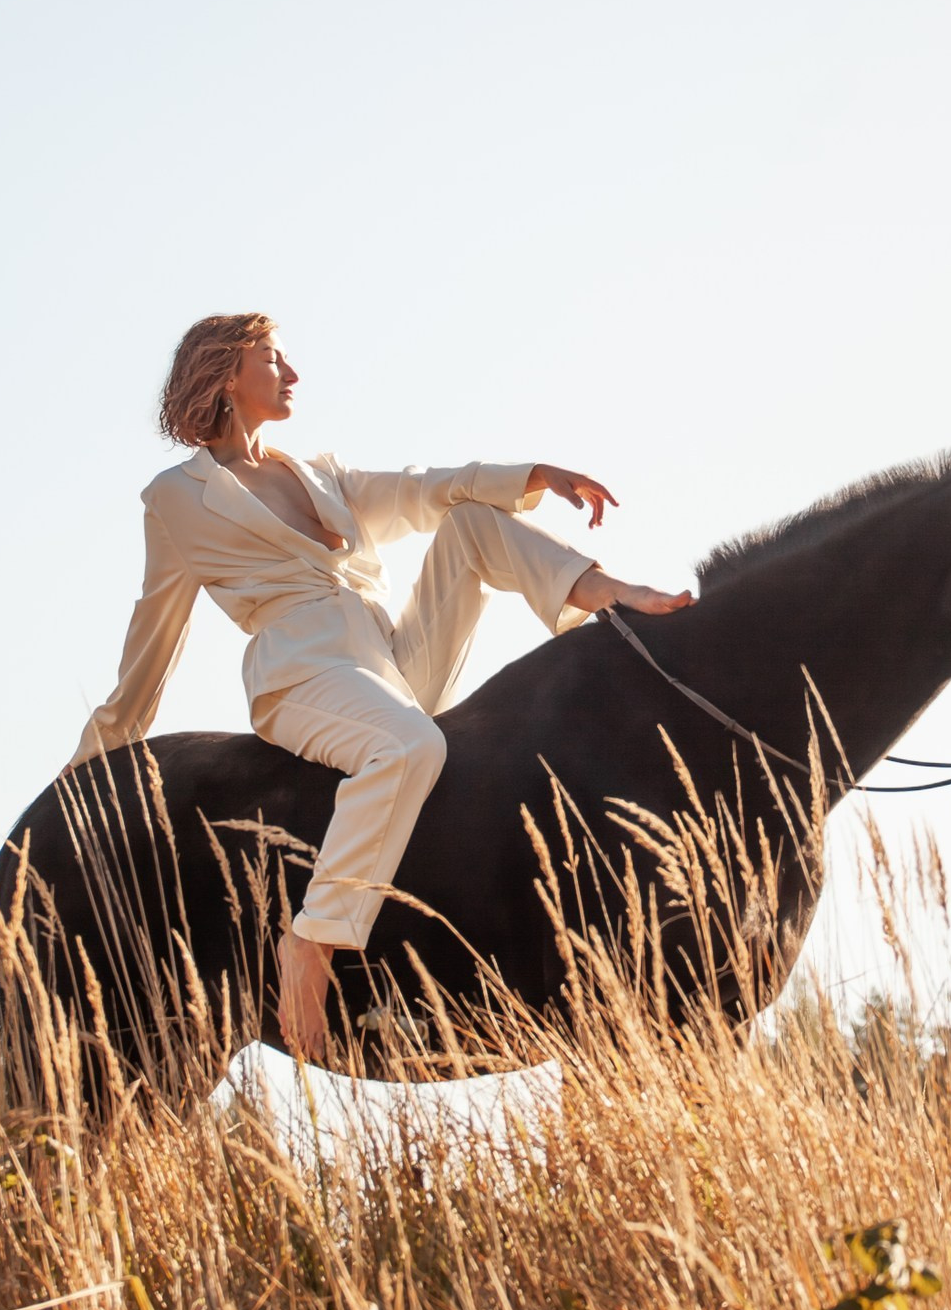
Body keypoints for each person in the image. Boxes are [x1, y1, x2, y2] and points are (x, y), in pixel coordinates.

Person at [68, 312, 693, 1061]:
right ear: (227, 371)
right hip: (301, 675)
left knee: (467, 523)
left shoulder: (318, 474)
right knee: (406, 748)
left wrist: (532, 475)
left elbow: (425, 490)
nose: (292, 375)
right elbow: (153, 641)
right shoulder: (177, 498)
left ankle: (608, 591)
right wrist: (90, 771)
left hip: (386, 661)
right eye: (274, 359)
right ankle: (312, 940)